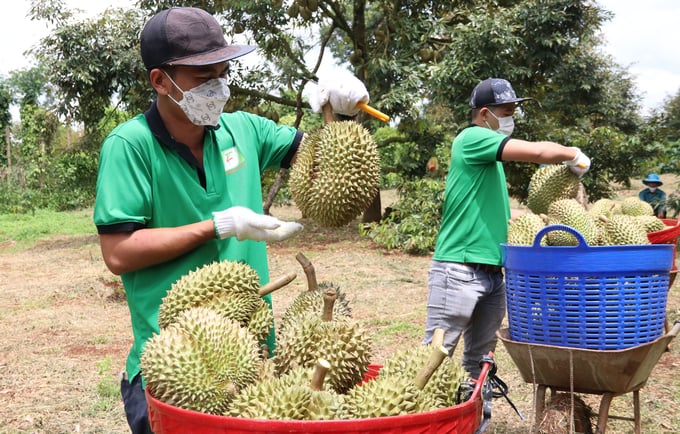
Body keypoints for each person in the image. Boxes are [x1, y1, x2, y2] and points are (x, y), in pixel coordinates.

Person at [93, 7, 369, 433]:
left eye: (222, 74)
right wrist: (218, 225)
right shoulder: (129, 146)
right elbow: (118, 252)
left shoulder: (244, 130)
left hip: (257, 359)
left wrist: (338, 109)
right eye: (204, 79)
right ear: (160, 81)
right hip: (179, 366)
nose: (218, 88)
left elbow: (324, 161)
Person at [421, 78, 591, 378]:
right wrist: (572, 153)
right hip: (459, 268)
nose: (511, 118)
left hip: (492, 273)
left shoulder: (490, 159)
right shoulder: (472, 138)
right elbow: (538, 153)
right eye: (507, 111)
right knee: (431, 362)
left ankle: (476, 422)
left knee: (481, 364)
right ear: (485, 113)